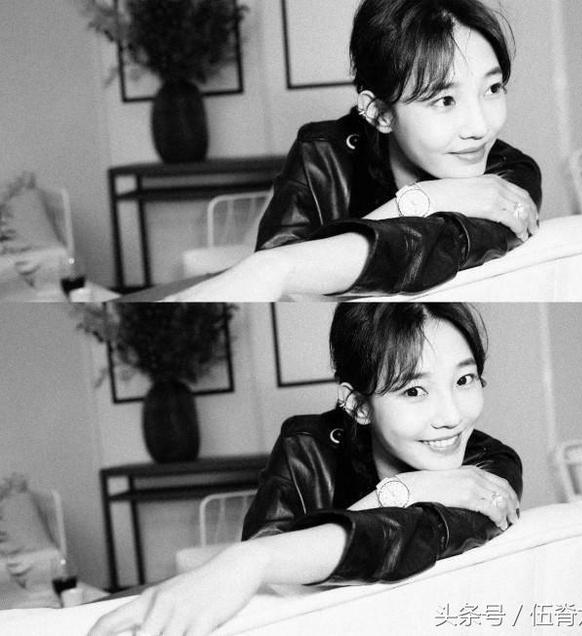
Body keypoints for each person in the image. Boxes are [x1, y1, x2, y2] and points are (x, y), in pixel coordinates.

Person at [90, 303, 522, 635]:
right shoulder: (307, 447)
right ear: (357, 404)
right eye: (414, 391)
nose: (451, 416)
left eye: (464, 380)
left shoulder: (489, 467)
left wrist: (252, 562)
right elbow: (277, 577)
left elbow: (404, 538)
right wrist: (412, 488)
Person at [167, 0, 542, 301]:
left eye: (492, 89)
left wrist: (276, 269)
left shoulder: (509, 175)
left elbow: (428, 249)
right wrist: (430, 197)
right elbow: (282, 285)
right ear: (379, 113)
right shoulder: (322, 154)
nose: (480, 127)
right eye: (445, 100)